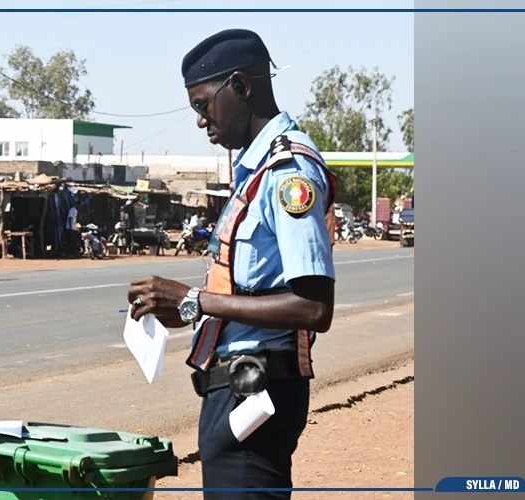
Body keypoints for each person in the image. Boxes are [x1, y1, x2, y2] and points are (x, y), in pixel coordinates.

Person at [126, 29, 338, 499]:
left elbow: (313, 308)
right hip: (236, 391)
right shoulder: (255, 171)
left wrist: (196, 300)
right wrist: (186, 308)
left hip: (256, 393)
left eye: (203, 105)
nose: (201, 122)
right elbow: (248, 292)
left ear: (240, 87)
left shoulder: (288, 174)